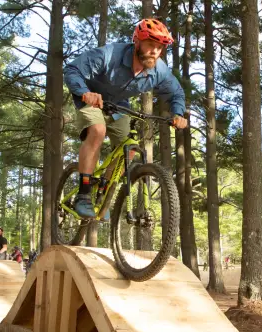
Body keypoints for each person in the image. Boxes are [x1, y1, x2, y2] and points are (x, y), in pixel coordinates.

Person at [63, 18, 188, 219]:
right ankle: (84, 194)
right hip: (90, 97)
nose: (155, 51)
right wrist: (85, 92)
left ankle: (102, 193)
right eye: (150, 45)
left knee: (127, 151)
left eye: (160, 47)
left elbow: (176, 94)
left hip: (118, 105)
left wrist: (178, 114)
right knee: (98, 130)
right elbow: (72, 70)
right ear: (137, 42)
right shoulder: (109, 55)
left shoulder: (159, 70)